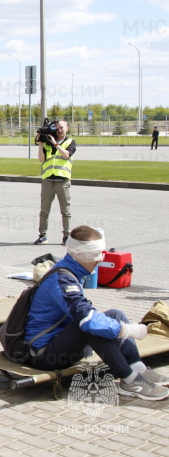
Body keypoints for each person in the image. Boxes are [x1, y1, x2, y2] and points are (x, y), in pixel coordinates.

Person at [25, 225, 169, 400]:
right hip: (44, 355)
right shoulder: (62, 279)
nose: (101, 259)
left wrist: (116, 326)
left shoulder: (69, 271)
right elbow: (88, 320)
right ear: (78, 253)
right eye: (97, 253)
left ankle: (138, 369)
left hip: (61, 343)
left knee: (114, 314)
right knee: (89, 325)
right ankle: (130, 381)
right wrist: (127, 330)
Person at [35, 120, 76, 245]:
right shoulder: (47, 142)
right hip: (48, 180)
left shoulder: (70, 142)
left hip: (62, 181)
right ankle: (42, 235)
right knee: (44, 211)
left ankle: (66, 236)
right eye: (57, 127)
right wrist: (41, 144)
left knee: (65, 211)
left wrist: (56, 145)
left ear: (67, 128)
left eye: (61, 127)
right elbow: (42, 159)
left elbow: (66, 155)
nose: (59, 129)